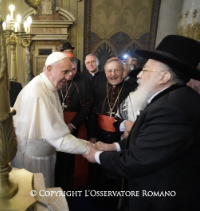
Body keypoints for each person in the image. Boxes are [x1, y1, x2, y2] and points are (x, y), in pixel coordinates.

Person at [83, 35, 200, 211]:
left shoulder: (171, 109)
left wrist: (96, 156)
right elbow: (147, 142)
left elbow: (138, 160)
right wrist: (113, 147)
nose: (138, 75)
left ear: (164, 77)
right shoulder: (172, 98)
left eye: (145, 70)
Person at [12, 52, 91, 188]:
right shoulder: (37, 93)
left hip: (44, 155)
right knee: (36, 195)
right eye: (64, 72)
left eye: (70, 71)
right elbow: (57, 139)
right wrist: (88, 148)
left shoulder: (47, 85)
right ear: (49, 69)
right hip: (33, 160)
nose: (68, 77)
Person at [87, 57, 136, 210]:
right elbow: (92, 114)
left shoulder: (132, 88)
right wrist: (92, 134)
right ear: (105, 72)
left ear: (123, 72)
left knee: (114, 170)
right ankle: (95, 199)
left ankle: (112, 203)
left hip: (119, 138)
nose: (113, 74)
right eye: (109, 71)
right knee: (97, 168)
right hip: (100, 134)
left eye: (116, 70)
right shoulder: (98, 88)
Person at [54, 52, 94, 191]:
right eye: (68, 70)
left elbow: (87, 106)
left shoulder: (84, 80)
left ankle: (72, 187)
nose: (71, 74)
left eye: (74, 69)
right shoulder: (56, 79)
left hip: (77, 124)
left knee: (74, 158)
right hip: (57, 123)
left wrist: (72, 124)